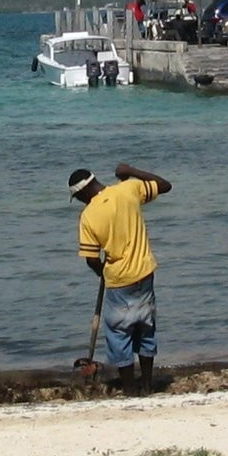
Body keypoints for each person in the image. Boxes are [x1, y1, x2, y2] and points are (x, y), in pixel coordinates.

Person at [68, 162, 171, 396]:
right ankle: (146, 385)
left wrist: (102, 271)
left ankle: (130, 390)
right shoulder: (128, 189)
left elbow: (91, 259)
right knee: (146, 329)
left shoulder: (89, 216)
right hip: (144, 273)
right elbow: (165, 185)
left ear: (82, 192)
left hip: (118, 281)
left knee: (119, 334)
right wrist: (132, 171)